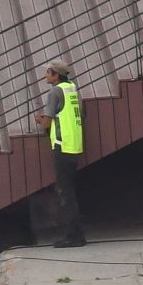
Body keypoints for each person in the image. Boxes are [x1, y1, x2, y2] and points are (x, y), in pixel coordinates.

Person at [36, 62, 88, 244]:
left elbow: (48, 123)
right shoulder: (71, 88)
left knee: (65, 192)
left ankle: (74, 236)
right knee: (69, 191)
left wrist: (40, 121)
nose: (45, 76)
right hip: (74, 143)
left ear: (56, 76)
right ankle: (76, 234)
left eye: (48, 73)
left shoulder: (54, 92)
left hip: (62, 145)